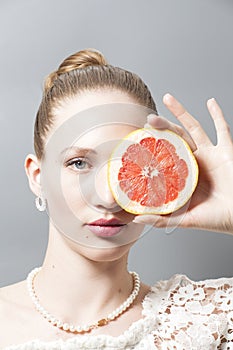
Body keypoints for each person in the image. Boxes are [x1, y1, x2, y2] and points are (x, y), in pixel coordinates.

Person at [0, 48, 232, 349]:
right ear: (37, 176)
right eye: (79, 163)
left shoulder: (212, 321)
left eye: (132, 168)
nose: (109, 198)